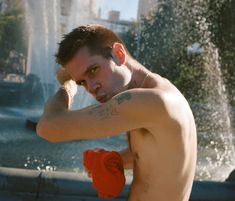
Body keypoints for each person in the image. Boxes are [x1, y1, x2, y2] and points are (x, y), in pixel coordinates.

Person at [37, 24, 197, 201]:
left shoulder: (150, 101)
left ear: (119, 54)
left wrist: (68, 85)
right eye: (81, 82)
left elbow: (47, 127)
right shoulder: (161, 94)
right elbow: (162, 156)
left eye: (93, 70)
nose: (91, 87)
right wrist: (116, 160)